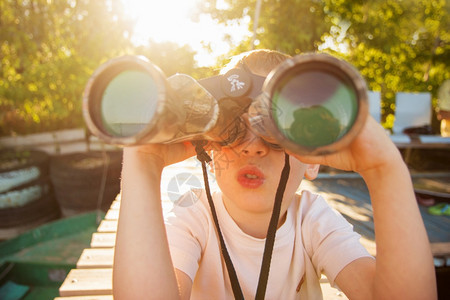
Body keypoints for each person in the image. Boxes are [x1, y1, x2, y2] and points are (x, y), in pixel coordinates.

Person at [113, 50, 437, 299]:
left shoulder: (313, 220)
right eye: (231, 128)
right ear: (208, 147)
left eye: (278, 132)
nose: (253, 147)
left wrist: (384, 169)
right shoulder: (193, 218)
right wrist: (143, 164)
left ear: (314, 160)